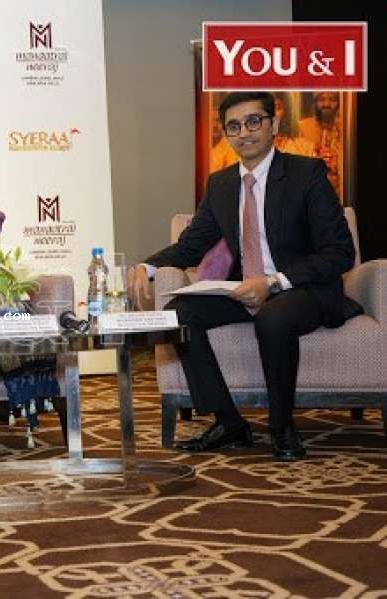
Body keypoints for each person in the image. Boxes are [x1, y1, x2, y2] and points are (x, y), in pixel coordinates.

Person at [128, 92, 357, 460]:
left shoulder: (306, 174)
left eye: (253, 122)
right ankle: (228, 422)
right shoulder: (221, 185)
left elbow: (341, 252)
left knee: (274, 316)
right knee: (179, 314)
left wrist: (274, 282)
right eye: (233, 126)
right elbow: (192, 245)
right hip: (245, 286)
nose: (244, 133)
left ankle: (282, 425)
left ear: (274, 124)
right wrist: (147, 265)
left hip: (302, 288)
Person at [298, 91, 342, 199]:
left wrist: (338, 161)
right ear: (315, 102)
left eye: (332, 99)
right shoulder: (304, 127)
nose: (326, 104)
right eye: (322, 99)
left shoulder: (346, 128)